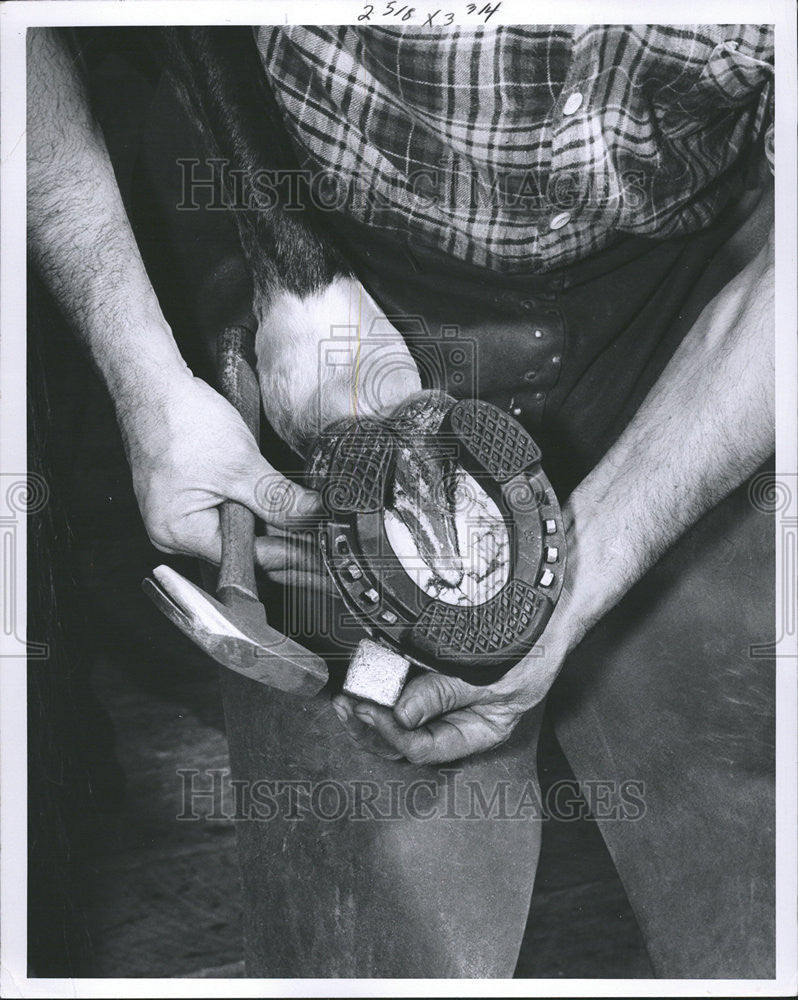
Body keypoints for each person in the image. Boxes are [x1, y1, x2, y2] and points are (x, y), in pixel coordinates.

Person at [27, 23, 776, 976]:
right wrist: (147, 368)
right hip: (315, 268)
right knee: (376, 934)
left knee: (756, 897)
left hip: (690, 308)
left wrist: (573, 586)